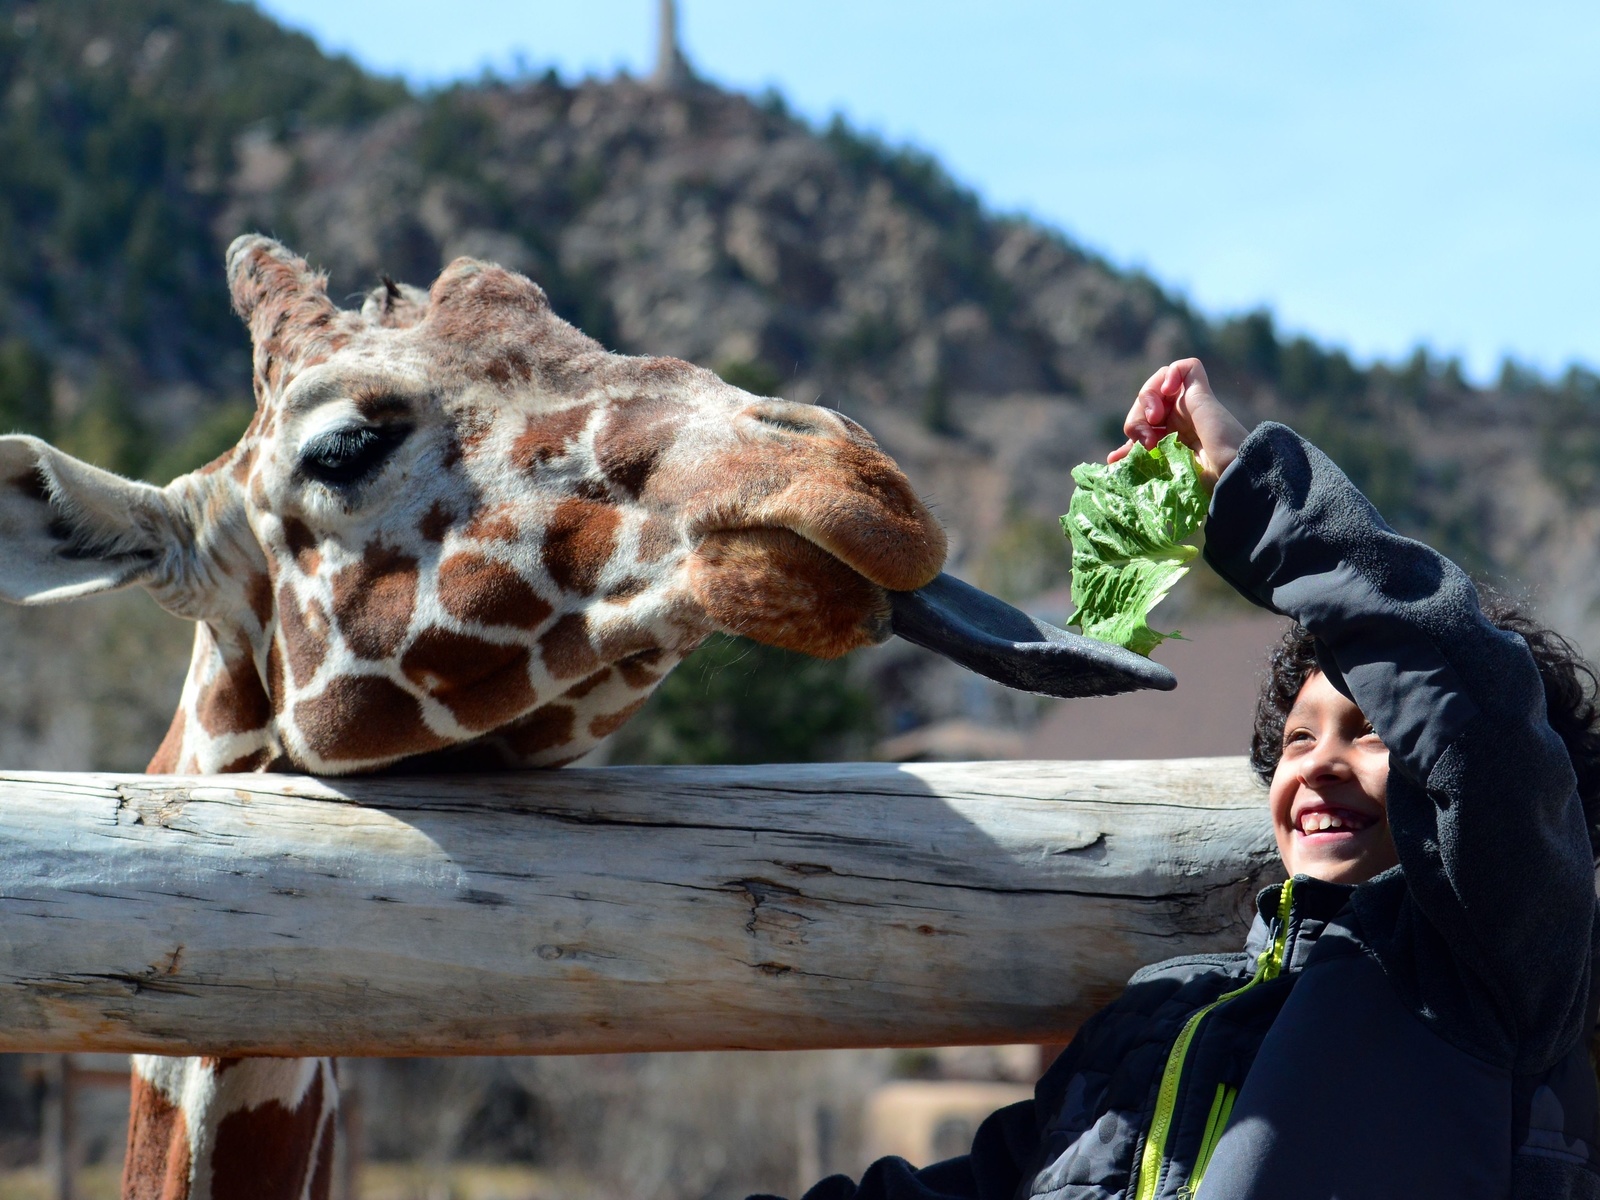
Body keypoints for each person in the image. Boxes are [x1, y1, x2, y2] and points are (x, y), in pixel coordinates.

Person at [760, 359, 1600, 1200]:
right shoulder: (1152, 1020)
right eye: (1299, 739)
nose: (1318, 764)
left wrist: (1250, 483)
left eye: (1372, 731)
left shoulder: (1495, 975)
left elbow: (1476, 723)